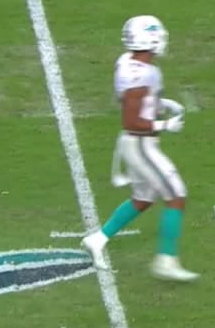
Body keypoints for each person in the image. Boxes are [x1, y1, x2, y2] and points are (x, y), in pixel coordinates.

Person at [80, 16, 198, 282]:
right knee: (176, 196)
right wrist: (166, 125)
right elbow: (131, 121)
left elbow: (137, 101)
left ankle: (97, 239)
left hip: (138, 142)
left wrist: (161, 103)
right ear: (149, 39)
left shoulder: (132, 64)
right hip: (141, 144)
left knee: (143, 199)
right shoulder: (140, 74)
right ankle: (166, 261)